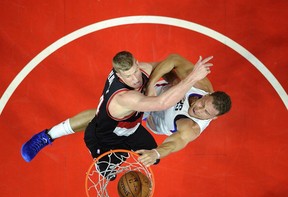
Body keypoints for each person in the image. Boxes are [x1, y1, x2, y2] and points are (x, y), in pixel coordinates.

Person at [21, 51, 213, 168]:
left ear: (137, 63)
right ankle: (47, 136)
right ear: (119, 74)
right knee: (106, 169)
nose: (135, 79)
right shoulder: (125, 97)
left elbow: (166, 64)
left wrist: (152, 82)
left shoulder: (141, 71)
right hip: (110, 127)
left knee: (154, 156)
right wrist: (191, 77)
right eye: (128, 77)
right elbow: (161, 103)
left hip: (137, 117)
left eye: (136, 72)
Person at [136, 54, 231, 166]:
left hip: (153, 119)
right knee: (150, 69)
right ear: (207, 95)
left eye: (206, 112)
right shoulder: (201, 85)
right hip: (154, 92)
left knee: (123, 113)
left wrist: (156, 153)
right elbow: (174, 59)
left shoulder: (191, 127)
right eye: (203, 103)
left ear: (213, 118)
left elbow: (172, 144)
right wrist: (151, 84)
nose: (199, 109)